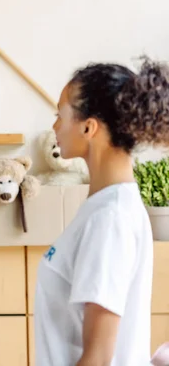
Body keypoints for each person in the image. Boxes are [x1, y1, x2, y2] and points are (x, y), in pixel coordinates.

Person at [34, 57, 169, 366]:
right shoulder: (106, 208)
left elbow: (97, 357)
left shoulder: (110, 219)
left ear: (88, 126)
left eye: (60, 114)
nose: (55, 126)